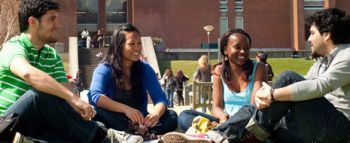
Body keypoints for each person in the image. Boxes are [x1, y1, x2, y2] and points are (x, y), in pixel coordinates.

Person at [164, 8, 350, 143]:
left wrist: (272, 94)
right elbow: (306, 85)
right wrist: (271, 95)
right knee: (262, 111)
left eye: (311, 33)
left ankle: (224, 135)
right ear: (225, 51)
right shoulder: (321, 61)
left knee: (287, 78)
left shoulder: (347, 55)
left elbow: (321, 86)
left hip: (338, 129)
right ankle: (220, 136)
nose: (308, 39)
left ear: (326, 34)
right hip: (310, 124)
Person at [0, 0, 143, 142]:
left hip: (36, 126)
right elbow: (29, 74)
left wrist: (82, 111)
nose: (58, 25)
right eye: (52, 19)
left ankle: (25, 141)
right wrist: (74, 100)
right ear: (33, 22)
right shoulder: (13, 47)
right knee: (38, 95)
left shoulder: (52, 54)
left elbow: (64, 98)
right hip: (8, 124)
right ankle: (106, 137)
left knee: (76, 130)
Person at [88, 24, 178, 137]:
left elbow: (160, 98)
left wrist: (155, 114)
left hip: (141, 121)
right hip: (116, 118)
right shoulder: (104, 68)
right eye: (131, 44)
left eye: (139, 43)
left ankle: (142, 132)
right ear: (119, 46)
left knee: (172, 116)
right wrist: (126, 109)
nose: (137, 48)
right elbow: (95, 95)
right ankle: (134, 132)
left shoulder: (145, 68)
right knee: (99, 112)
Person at [176, 29, 267, 132]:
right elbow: (216, 107)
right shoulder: (219, 70)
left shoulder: (259, 68)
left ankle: (214, 134)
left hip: (249, 123)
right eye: (237, 47)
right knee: (184, 115)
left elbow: (254, 107)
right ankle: (218, 133)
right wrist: (223, 117)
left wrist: (231, 123)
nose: (243, 51)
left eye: (246, 48)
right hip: (226, 121)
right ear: (225, 50)